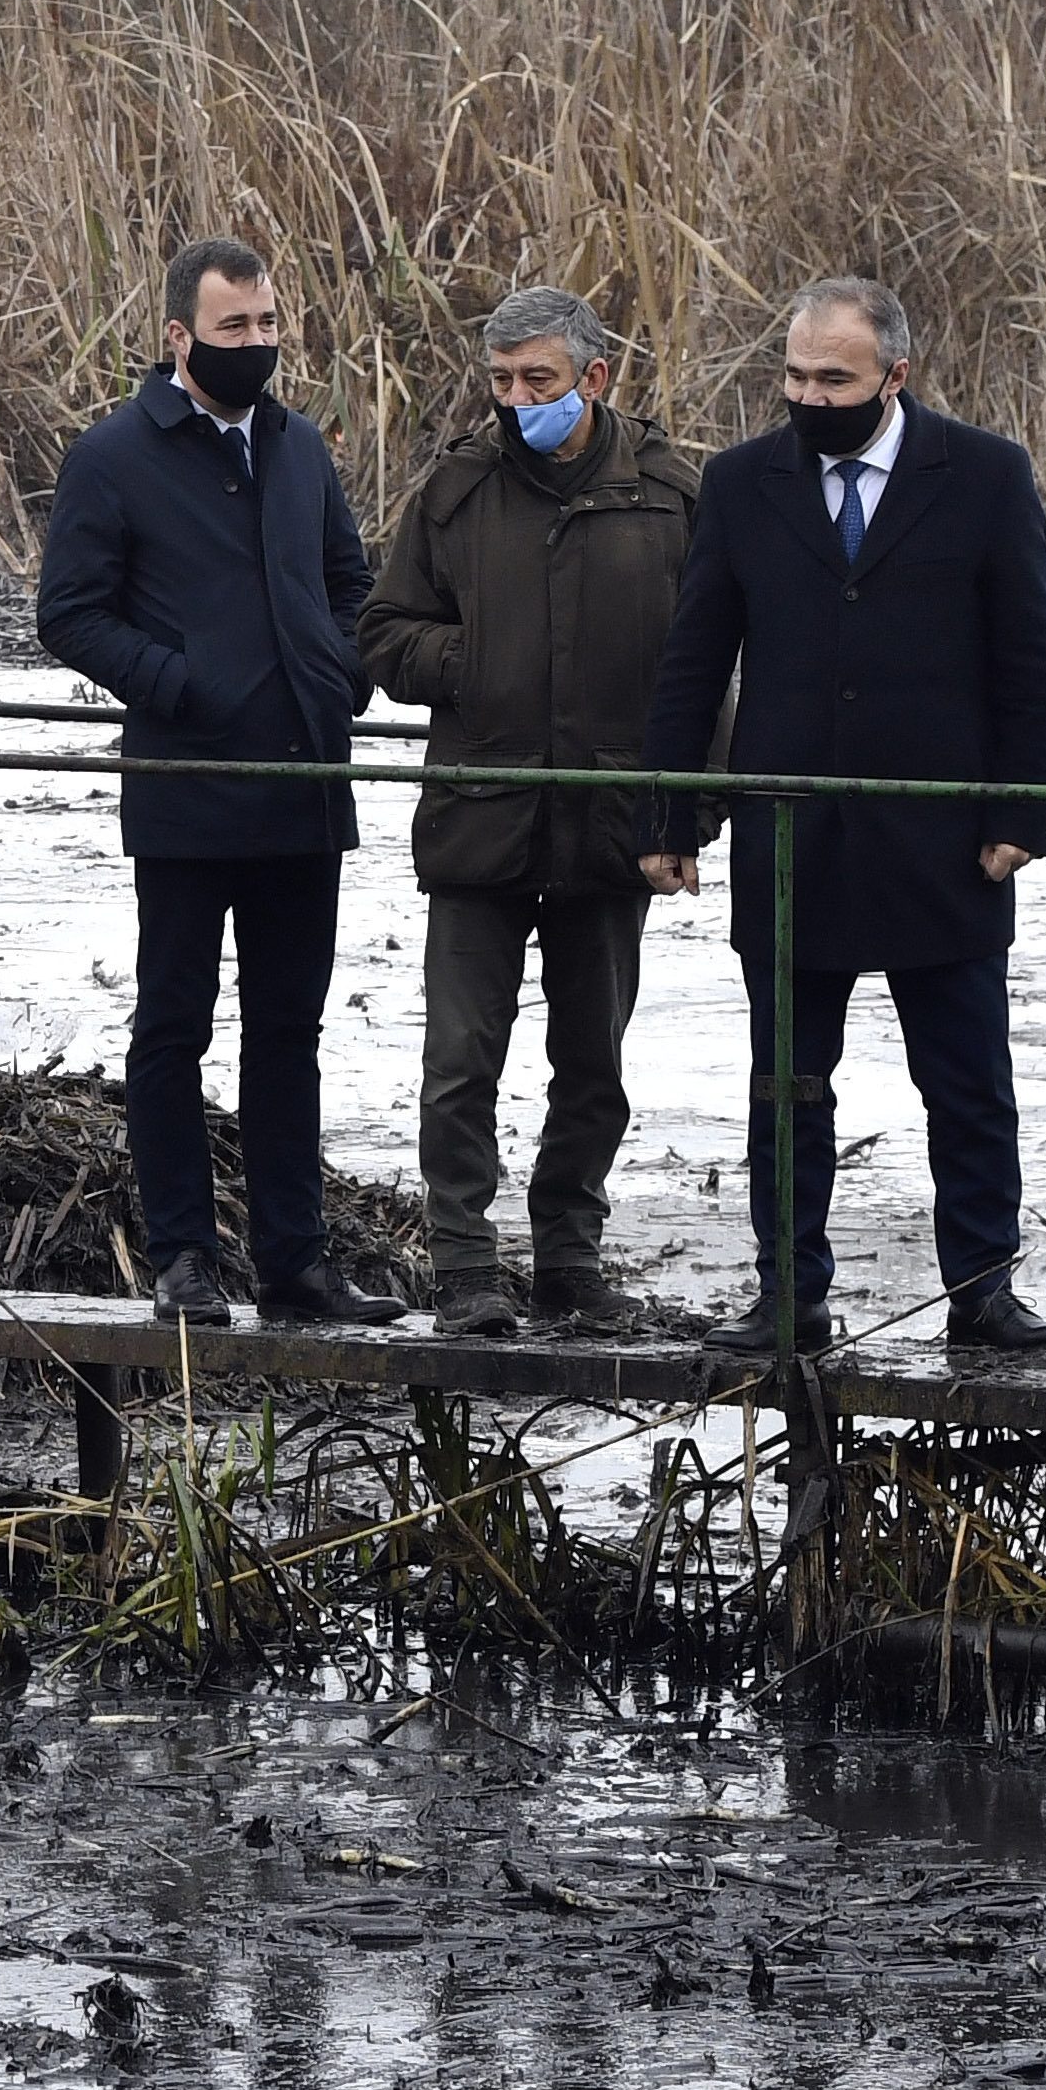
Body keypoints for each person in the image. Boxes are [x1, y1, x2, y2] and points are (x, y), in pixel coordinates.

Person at [639, 276, 1046, 1356]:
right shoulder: (741, 484)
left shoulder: (980, 475)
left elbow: (1028, 657)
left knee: (965, 1082)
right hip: (792, 838)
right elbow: (694, 659)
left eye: (832, 378)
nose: (808, 396)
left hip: (943, 836)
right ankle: (787, 1293)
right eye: (792, 376)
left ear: (894, 375)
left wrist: (1021, 808)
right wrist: (670, 812)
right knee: (786, 1087)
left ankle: (982, 1291)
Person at [37, 237, 408, 1329]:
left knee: (288, 1034)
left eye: (265, 325)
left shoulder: (298, 449)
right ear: (176, 337)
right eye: (231, 327)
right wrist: (176, 685)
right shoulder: (112, 456)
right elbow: (68, 614)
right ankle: (183, 1260)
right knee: (171, 1028)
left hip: (303, 784)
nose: (253, 345)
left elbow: (348, 583)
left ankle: (296, 1264)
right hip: (185, 790)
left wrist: (338, 678)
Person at [356, 286, 705, 1340]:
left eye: (536, 382)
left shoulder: (670, 496)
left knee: (592, 1062)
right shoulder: (455, 490)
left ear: (592, 379)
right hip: (481, 819)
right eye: (501, 382)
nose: (515, 402)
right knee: (459, 1061)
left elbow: (713, 666)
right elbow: (382, 634)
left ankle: (569, 1261)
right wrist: (473, 663)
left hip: (611, 827)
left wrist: (685, 818)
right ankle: (464, 1268)